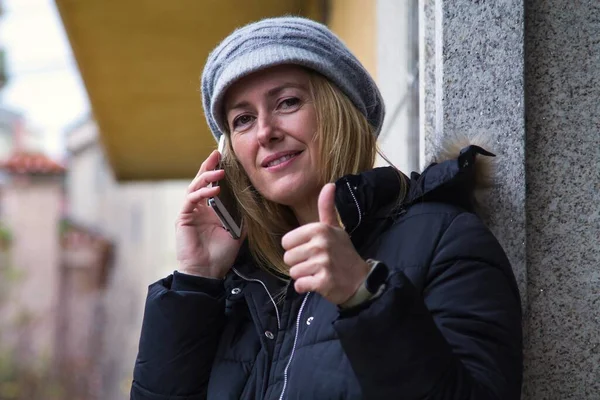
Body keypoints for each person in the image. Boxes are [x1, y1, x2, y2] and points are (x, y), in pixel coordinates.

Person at [130, 16, 522, 400]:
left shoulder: (445, 237)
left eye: (287, 102)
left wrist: (363, 296)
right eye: (243, 119)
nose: (265, 132)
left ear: (340, 110)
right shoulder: (239, 285)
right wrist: (197, 282)